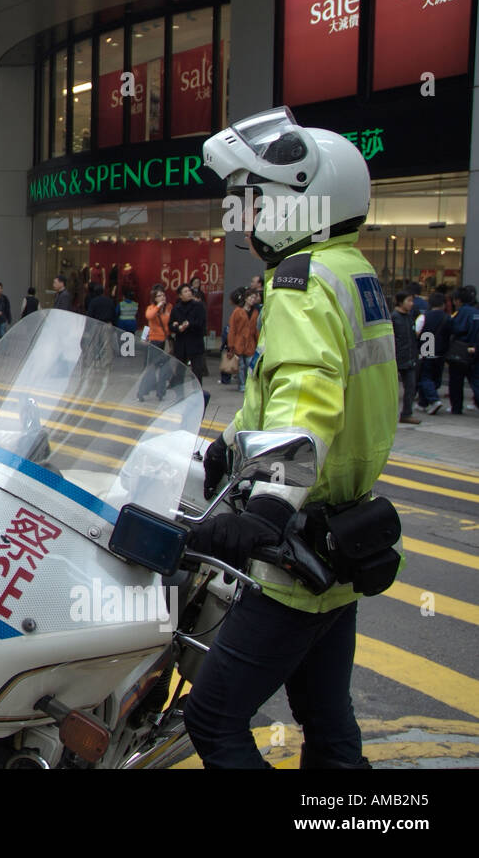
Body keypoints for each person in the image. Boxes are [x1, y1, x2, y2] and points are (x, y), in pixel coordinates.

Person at [187, 106, 400, 769]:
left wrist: (269, 510)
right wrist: (231, 446)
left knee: (213, 715)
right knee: (328, 724)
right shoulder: (353, 273)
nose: (248, 220)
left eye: (259, 203)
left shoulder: (300, 282)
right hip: (341, 545)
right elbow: (314, 392)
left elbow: (307, 405)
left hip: (296, 556)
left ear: (297, 205)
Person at [446, 285, 478, 414]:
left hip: (461, 352)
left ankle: (456, 407)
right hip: (476, 350)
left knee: (456, 382)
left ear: (458, 300)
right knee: (476, 381)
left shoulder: (462, 313)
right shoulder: (476, 311)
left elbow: (457, 329)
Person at [136, 286, 172, 402]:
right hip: (154, 341)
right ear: (155, 298)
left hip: (164, 340)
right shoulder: (152, 308)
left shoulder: (169, 308)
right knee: (151, 368)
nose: (162, 297)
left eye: (163, 295)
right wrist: (158, 306)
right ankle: (142, 392)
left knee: (164, 369)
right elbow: (149, 318)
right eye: (159, 296)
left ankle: (160, 392)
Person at [170, 283, 207, 386]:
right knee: (179, 372)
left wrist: (189, 324)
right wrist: (177, 328)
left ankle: (197, 393)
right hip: (181, 344)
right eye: (185, 291)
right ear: (180, 295)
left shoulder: (198, 306)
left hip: (195, 343)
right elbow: (171, 324)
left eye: (189, 291)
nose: (189, 293)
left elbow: (201, 323)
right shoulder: (176, 308)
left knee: (197, 371)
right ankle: (179, 395)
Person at [416, 292, 447, 415]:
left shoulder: (423, 317)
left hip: (426, 349)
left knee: (425, 376)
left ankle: (434, 400)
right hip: (441, 351)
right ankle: (423, 403)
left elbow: (416, 333)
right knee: (435, 377)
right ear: (443, 304)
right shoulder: (448, 318)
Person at [392, 290, 420, 424]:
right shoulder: (394, 317)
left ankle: (407, 413)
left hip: (409, 357)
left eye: (412, 301)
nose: (411, 304)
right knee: (391, 388)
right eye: (408, 300)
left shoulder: (410, 317)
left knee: (411, 386)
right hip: (396, 357)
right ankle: (388, 414)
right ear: (399, 301)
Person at [230, 289, 260, 393]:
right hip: (239, 341)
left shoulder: (255, 312)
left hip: (250, 342)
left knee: (249, 365)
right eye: (251, 297)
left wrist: (259, 342)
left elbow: (256, 329)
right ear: (246, 298)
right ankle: (242, 385)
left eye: (254, 298)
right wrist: (231, 345)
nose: (253, 300)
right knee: (241, 366)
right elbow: (232, 329)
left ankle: (248, 384)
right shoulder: (237, 311)